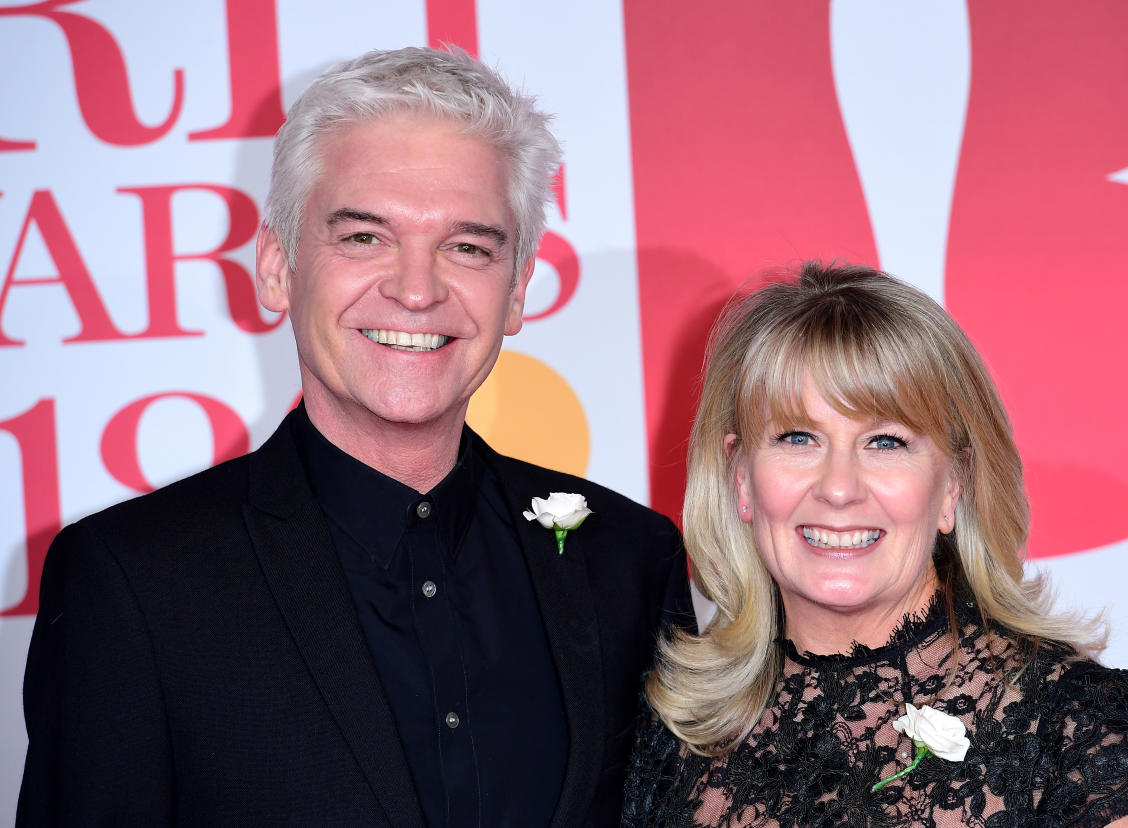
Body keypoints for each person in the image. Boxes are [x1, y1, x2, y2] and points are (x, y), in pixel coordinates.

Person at [18, 47, 692, 827]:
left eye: (468, 247)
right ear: (277, 267)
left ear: (516, 291)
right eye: (365, 237)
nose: (415, 289)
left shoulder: (628, 558)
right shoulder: (132, 581)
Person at [623, 262, 1128, 827]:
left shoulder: (1068, 727)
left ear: (953, 482)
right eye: (798, 437)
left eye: (885, 442)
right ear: (740, 477)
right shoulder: (676, 734)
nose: (838, 488)